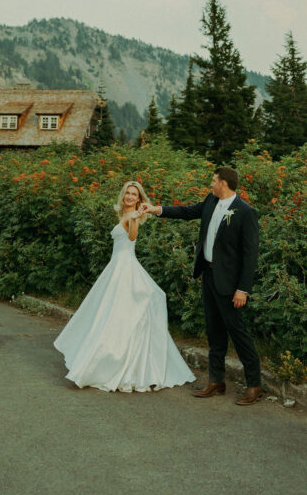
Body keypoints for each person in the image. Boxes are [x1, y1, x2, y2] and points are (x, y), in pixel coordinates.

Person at [54, 180, 195, 393]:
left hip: (125, 267)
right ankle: (101, 359)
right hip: (115, 267)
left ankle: (121, 363)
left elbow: (132, 237)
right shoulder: (122, 214)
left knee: (123, 314)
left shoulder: (132, 217)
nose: (130, 197)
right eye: (128, 193)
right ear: (124, 196)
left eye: (134, 194)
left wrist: (135, 219)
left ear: (139, 199)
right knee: (108, 314)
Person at [140, 166, 262, 405]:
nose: (211, 184)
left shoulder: (246, 212)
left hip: (230, 284)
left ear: (224, 183)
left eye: (214, 181)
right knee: (214, 330)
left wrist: (243, 289)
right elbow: (186, 211)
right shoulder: (210, 200)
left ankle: (254, 385)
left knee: (238, 333)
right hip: (208, 275)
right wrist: (157, 210)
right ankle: (216, 381)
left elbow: (250, 255)